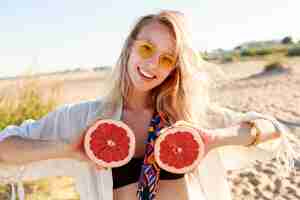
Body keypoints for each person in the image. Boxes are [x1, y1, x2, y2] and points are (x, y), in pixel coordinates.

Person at [0, 10, 297, 200]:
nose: (153, 64)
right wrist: (70, 149)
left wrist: (213, 140)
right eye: (147, 48)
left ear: (173, 69)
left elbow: (271, 129)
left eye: (167, 58)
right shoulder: (86, 119)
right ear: (130, 47)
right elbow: (5, 146)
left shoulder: (185, 117)